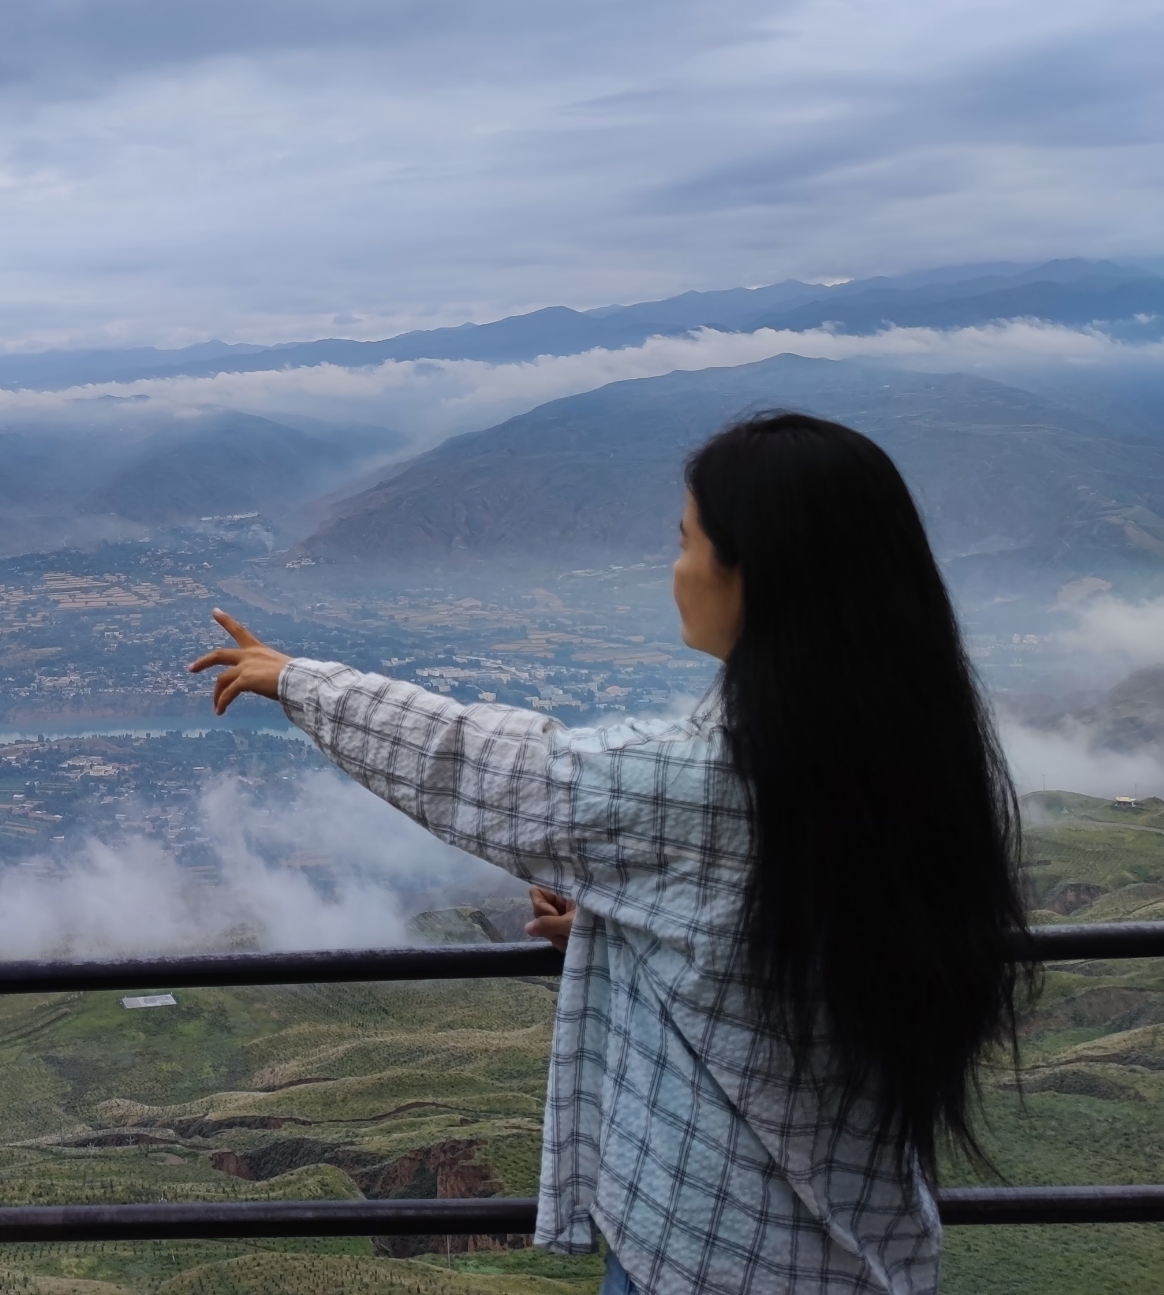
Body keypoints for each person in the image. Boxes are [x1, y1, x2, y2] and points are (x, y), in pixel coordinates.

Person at [189, 411, 1029, 1294]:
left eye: (686, 542)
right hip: (860, 1244)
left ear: (756, 576)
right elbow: (786, 932)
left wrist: (298, 681)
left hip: (714, 1252)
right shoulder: (904, 752)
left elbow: (497, 771)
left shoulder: (725, 775)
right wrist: (628, 924)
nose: (675, 571)